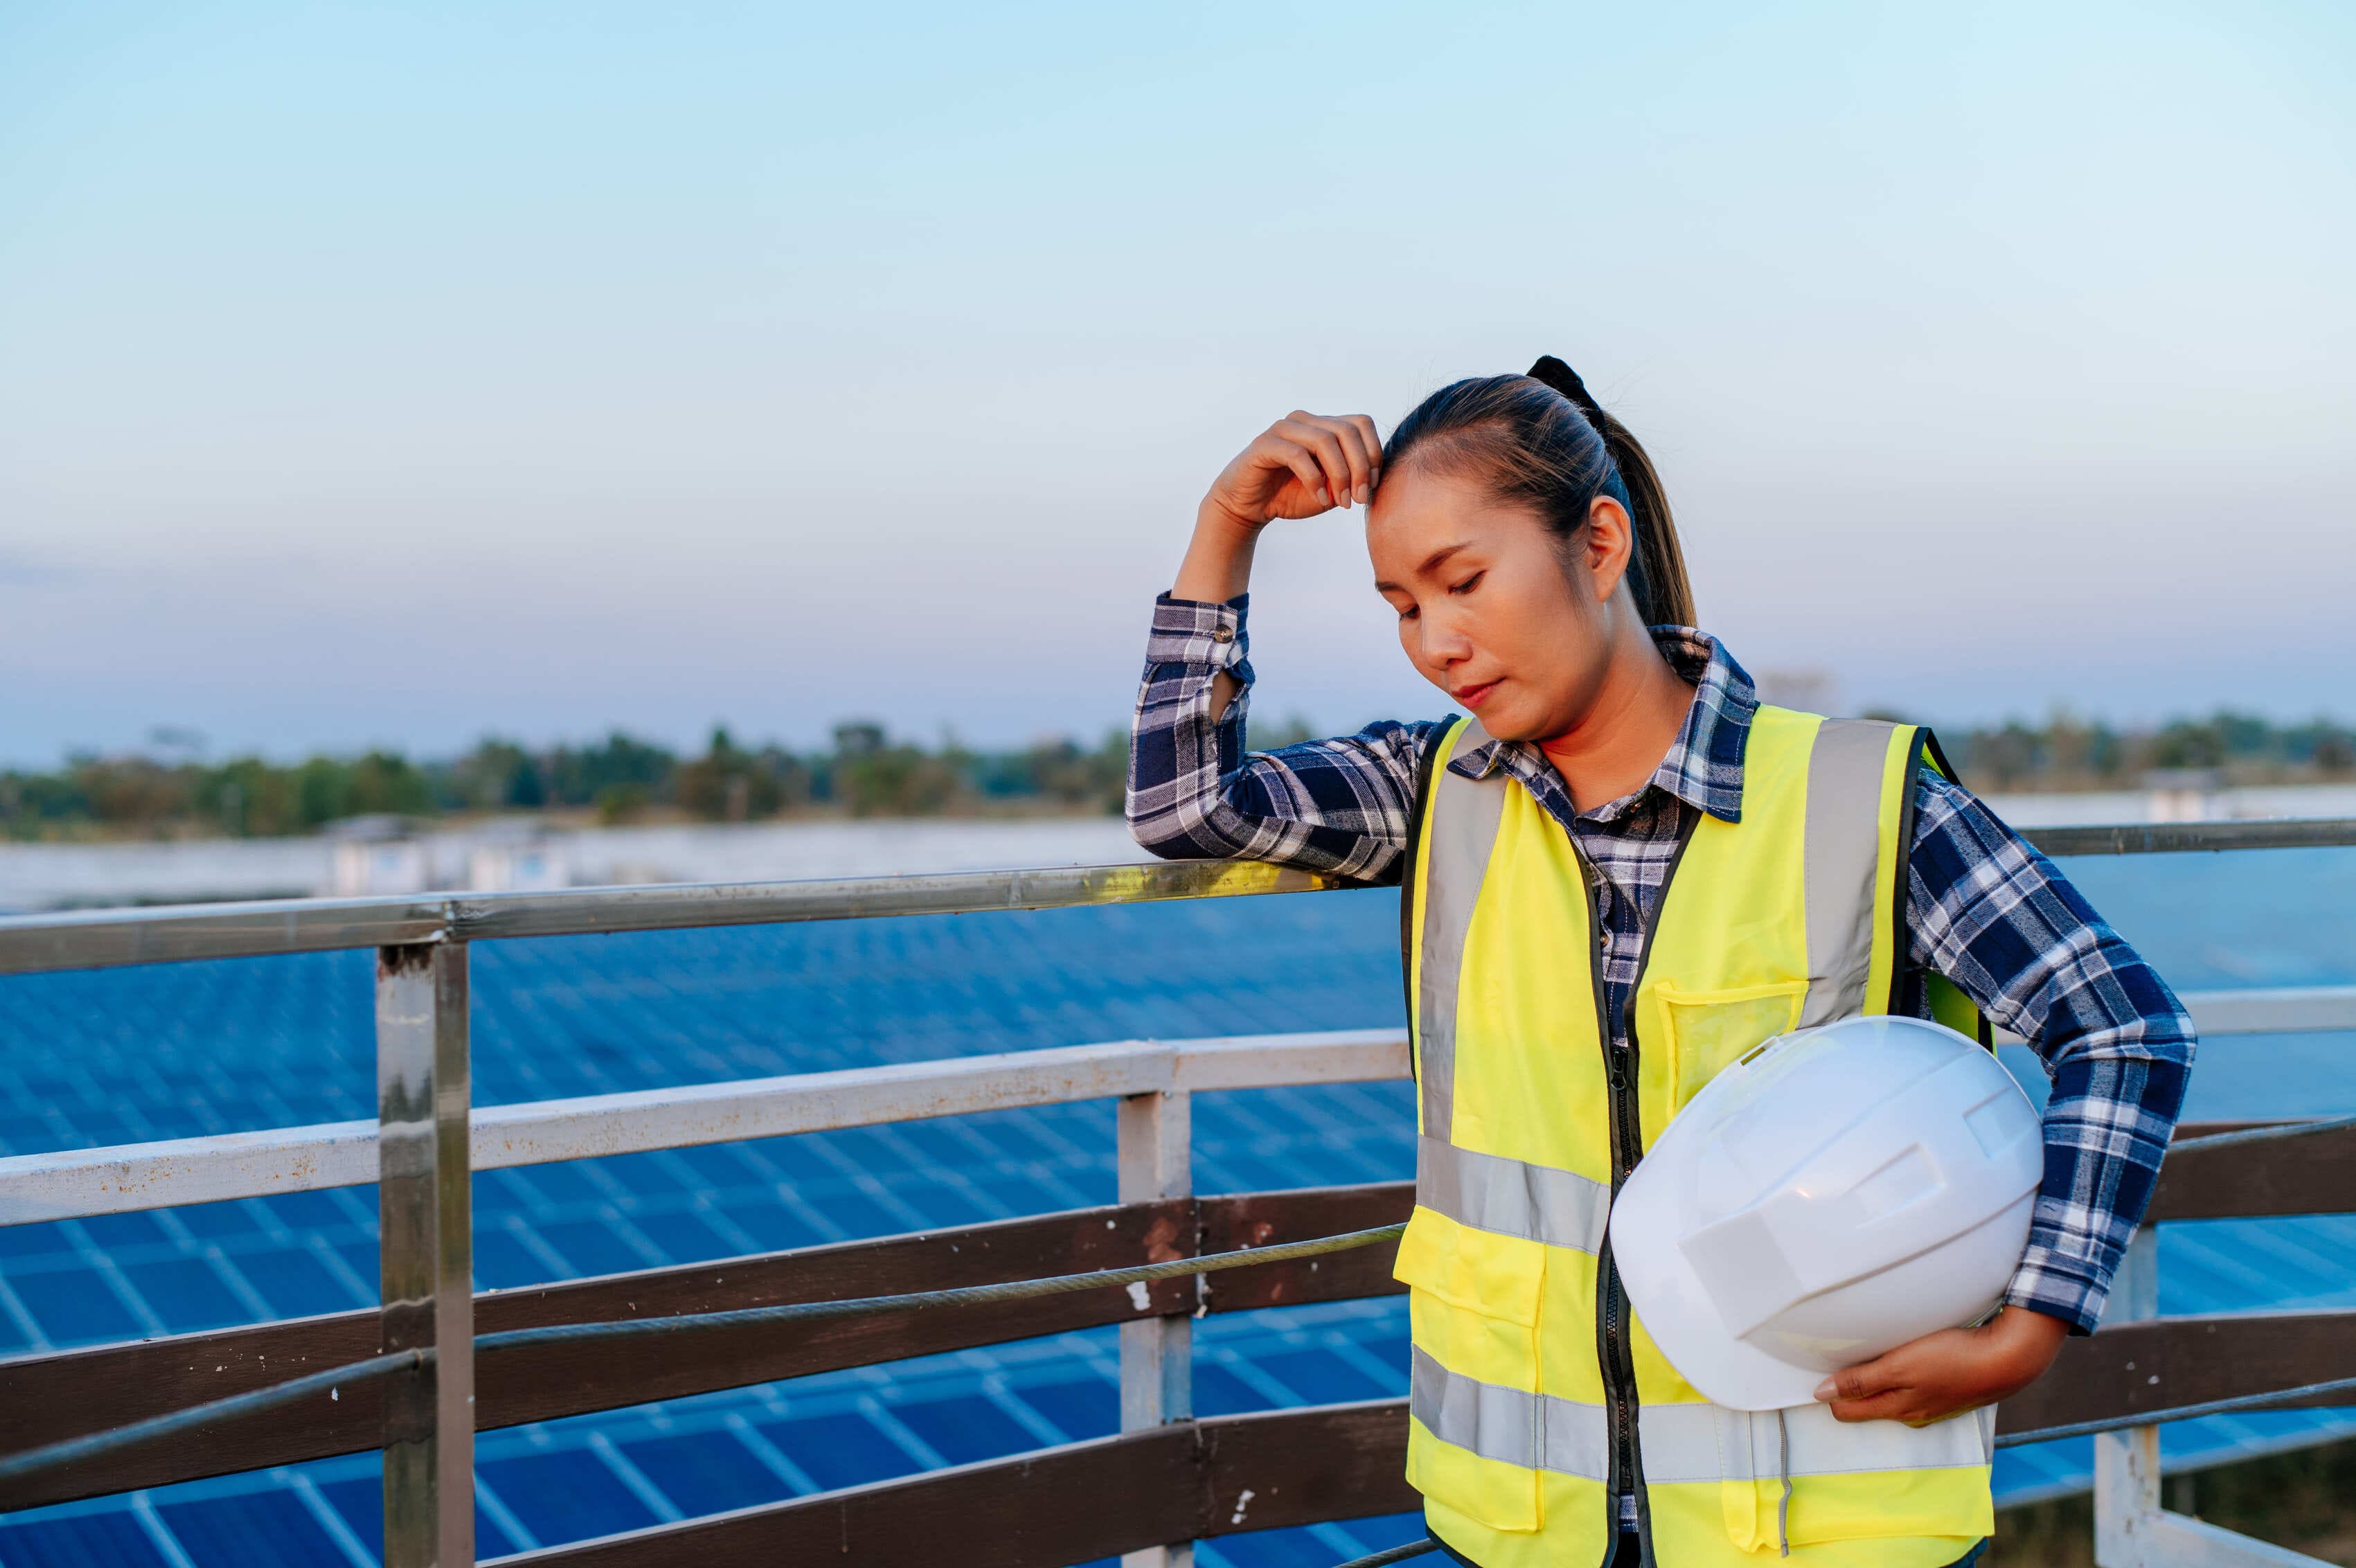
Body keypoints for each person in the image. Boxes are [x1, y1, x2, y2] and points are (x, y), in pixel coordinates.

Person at [1125, 361, 2194, 1568]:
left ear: (1597, 544)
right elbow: (1184, 809)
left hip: (1818, 1529)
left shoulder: (1858, 795)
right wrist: (1226, 525)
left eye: (1462, 582)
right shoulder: (1432, 788)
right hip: (1526, 1525)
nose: (1437, 643)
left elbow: (2123, 1028)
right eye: (1402, 607)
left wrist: (2035, 1320)